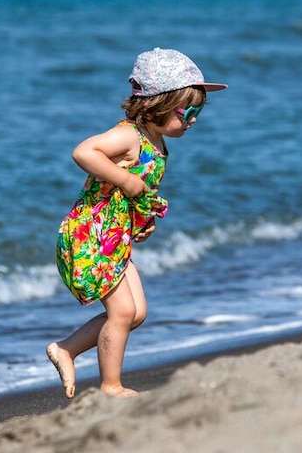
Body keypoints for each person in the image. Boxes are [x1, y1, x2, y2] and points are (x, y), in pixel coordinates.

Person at [46, 47, 227, 398]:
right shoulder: (130, 136)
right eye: (188, 111)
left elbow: (135, 194)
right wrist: (125, 179)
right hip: (90, 234)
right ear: (157, 104)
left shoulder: (156, 142)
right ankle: (110, 386)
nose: (193, 119)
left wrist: (143, 220)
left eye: (198, 111)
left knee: (136, 313)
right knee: (123, 310)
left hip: (115, 235)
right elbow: (84, 152)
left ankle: (66, 349)